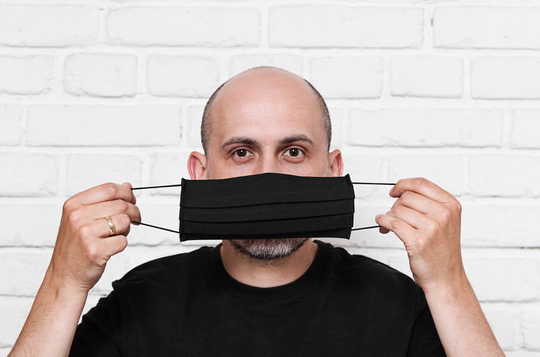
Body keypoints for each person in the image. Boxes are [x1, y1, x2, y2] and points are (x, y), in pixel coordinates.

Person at [9, 66, 504, 357]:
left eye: (293, 152)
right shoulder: (141, 300)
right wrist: (64, 283)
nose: (269, 176)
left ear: (332, 170)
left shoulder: (397, 304)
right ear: (201, 174)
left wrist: (447, 282)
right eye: (242, 152)